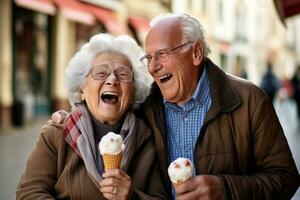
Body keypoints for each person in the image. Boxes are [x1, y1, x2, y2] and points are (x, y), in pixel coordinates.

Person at [46, 13, 300, 199]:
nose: (153, 66)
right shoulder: (144, 103)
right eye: (148, 57)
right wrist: (70, 116)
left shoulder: (249, 100)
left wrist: (225, 188)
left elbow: (286, 179)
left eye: (163, 54)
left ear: (196, 53)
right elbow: (105, 109)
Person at [16, 33, 169, 200]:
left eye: (123, 74)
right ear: (82, 88)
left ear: (133, 92)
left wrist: (132, 197)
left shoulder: (147, 139)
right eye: (101, 73)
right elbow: (29, 193)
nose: (112, 80)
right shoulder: (55, 134)